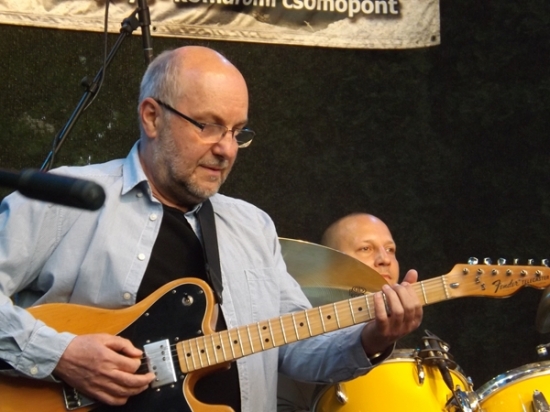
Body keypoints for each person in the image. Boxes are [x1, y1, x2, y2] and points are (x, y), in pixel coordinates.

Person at [0, 47, 422, 411]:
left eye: (238, 132)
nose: (227, 149)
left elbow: (293, 347)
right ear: (152, 117)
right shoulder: (67, 197)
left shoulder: (252, 227)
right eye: (209, 126)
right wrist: (62, 355)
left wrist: (371, 338)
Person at [277, 213, 405, 411]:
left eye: (390, 249)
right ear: (331, 263)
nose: (385, 259)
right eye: (366, 248)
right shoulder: (291, 331)